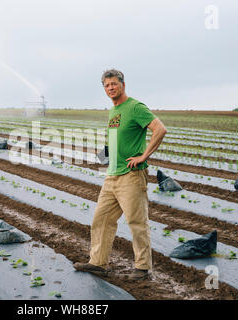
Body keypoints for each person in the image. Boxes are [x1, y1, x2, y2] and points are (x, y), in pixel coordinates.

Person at [74, 69, 167, 280]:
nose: (110, 88)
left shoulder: (135, 107)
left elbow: (160, 129)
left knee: (136, 221)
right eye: (107, 86)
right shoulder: (113, 111)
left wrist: (143, 156)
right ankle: (98, 263)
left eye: (114, 84)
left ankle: (143, 268)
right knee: (101, 219)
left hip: (131, 175)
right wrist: (104, 155)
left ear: (123, 85)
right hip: (112, 175)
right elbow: (115, 139)